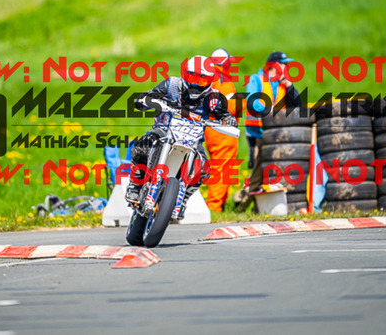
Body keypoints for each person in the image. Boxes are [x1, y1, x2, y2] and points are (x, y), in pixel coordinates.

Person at [125, 55, 238, 218]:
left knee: (203, 169)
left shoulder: (214, 97)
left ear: (209, 80)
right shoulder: (171, 84)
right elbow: (148, 96)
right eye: (193, 78)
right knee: (141, 147)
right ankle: (135, 186)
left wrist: (228, 120)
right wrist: (145, 101)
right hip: (164, 130)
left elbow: (225, 115)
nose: (196, 84)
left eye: (201, 80)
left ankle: (183, 198)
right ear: (185, 74)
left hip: (193, 140)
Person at [236, 51, 299, 210]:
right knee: (258, 173)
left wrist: (289, 86)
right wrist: (269, 111)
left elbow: (297, 106)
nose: (287, 67)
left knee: (271, 173)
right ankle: (242, 205)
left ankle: (256, 208)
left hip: (276, 136)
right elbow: (252, 101)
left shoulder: (283, 84)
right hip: (257, 134)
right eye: (284, 64)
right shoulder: (256, 79)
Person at [204, 49, 241, 213]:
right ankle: (214, 206)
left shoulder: (210, 78)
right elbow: (232, 107)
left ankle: (219, 204)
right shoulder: (222, 80)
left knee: (219, 167)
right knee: (222, 168)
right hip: (223, 132)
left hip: (213, 130)